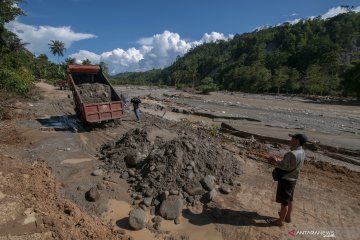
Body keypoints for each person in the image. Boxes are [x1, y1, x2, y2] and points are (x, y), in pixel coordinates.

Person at [267, 133, 307, 227]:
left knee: (284, 202)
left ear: (297, 141)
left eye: (292, 138)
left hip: (286, 179)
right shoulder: (302, 152)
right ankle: (288, 217)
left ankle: (280, 221)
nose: (291, 140)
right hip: (293, 179)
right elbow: (292, 165)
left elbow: (284, 166)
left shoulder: (291, 153)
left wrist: (275, 160)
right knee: (290, 199)